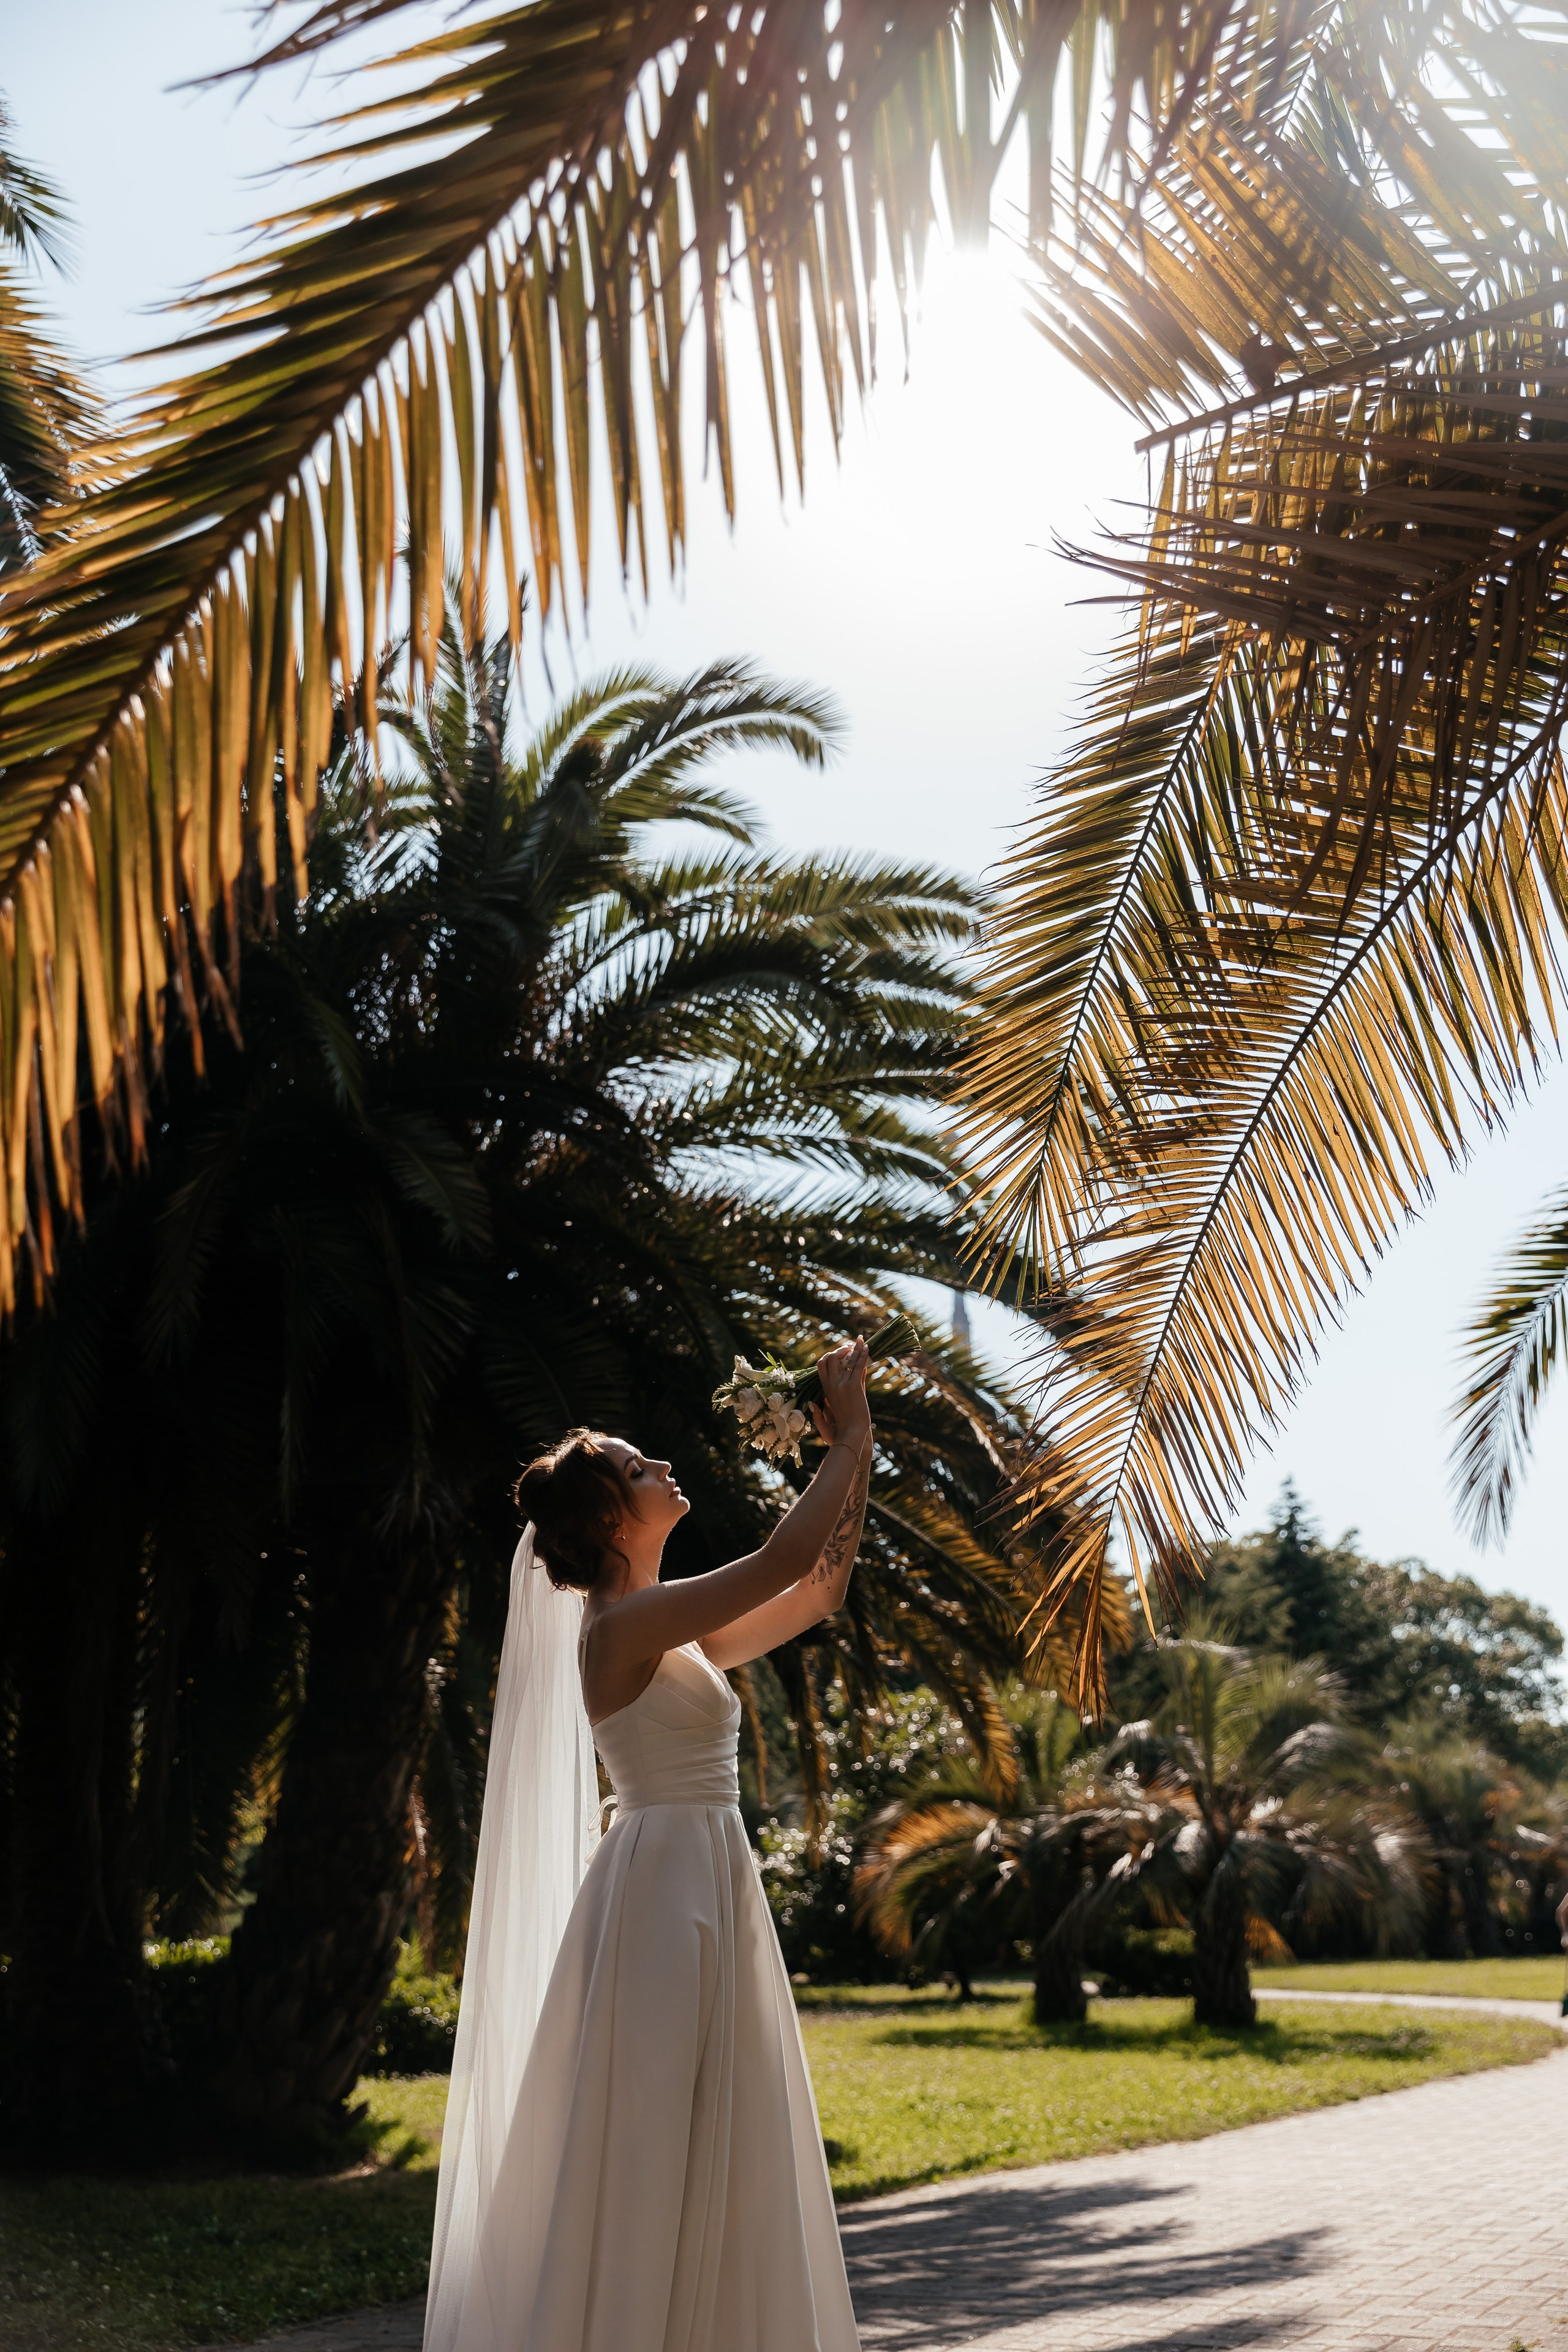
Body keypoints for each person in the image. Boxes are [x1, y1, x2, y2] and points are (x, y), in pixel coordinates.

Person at [424, 1338, 874, 2352]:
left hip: (708, 1872)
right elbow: (782, 1561)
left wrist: (864, 1449)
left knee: (722, 2120)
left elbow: (817, 1593)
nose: (665, 1468)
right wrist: (838, 1445)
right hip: (664, 1894)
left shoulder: (673, 1631)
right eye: (639, 1469)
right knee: (652, 2134)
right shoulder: (617, 1630)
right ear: (605, 1519)